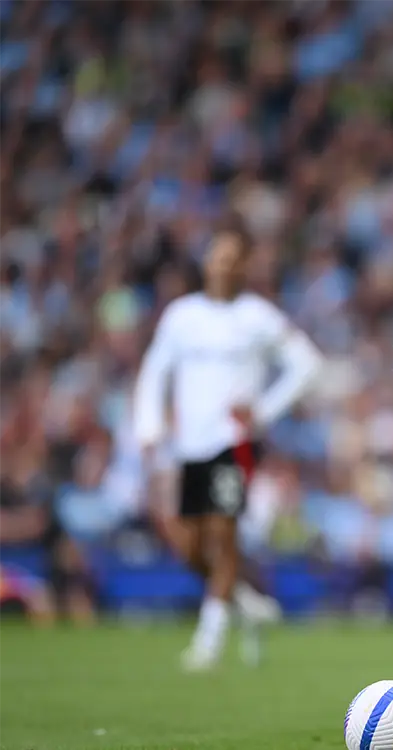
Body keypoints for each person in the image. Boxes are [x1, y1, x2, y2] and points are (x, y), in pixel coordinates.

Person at [132, 214, 324, 671]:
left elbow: (308, 365)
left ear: (244, 266)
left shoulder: (257, 316)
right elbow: (155, 371)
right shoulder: (182, 316)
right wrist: (148, 427)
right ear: (206, 261)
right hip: (189, 445)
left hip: (233, 443)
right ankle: (245, 602)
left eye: (232, 260)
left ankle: (209, 641)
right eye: (217, 257)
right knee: (189, 546)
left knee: (223, 532)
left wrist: (263, 412)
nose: (222, 266)